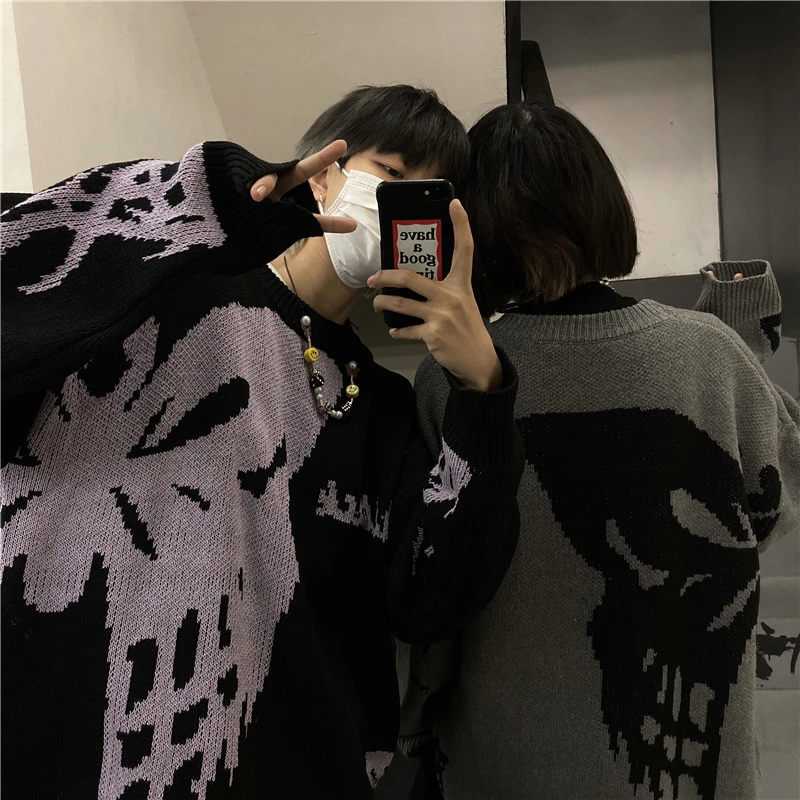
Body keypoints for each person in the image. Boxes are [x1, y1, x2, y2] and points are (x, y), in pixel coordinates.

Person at [0, 85, 523, 799]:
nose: (400, 205)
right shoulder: (182, 295)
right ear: (325, 174)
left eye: (425, 197)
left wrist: (481, 389)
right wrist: (211, 203)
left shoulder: (386, 408)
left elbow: (431, 600)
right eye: (392, 174)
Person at [397, 101, 800, 800]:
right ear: (603, 206)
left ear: (468, 226)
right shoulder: (709, 352)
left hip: (505, 759)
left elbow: (438, 584)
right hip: (699, 769)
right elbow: (769, 509)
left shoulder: (450, 380)